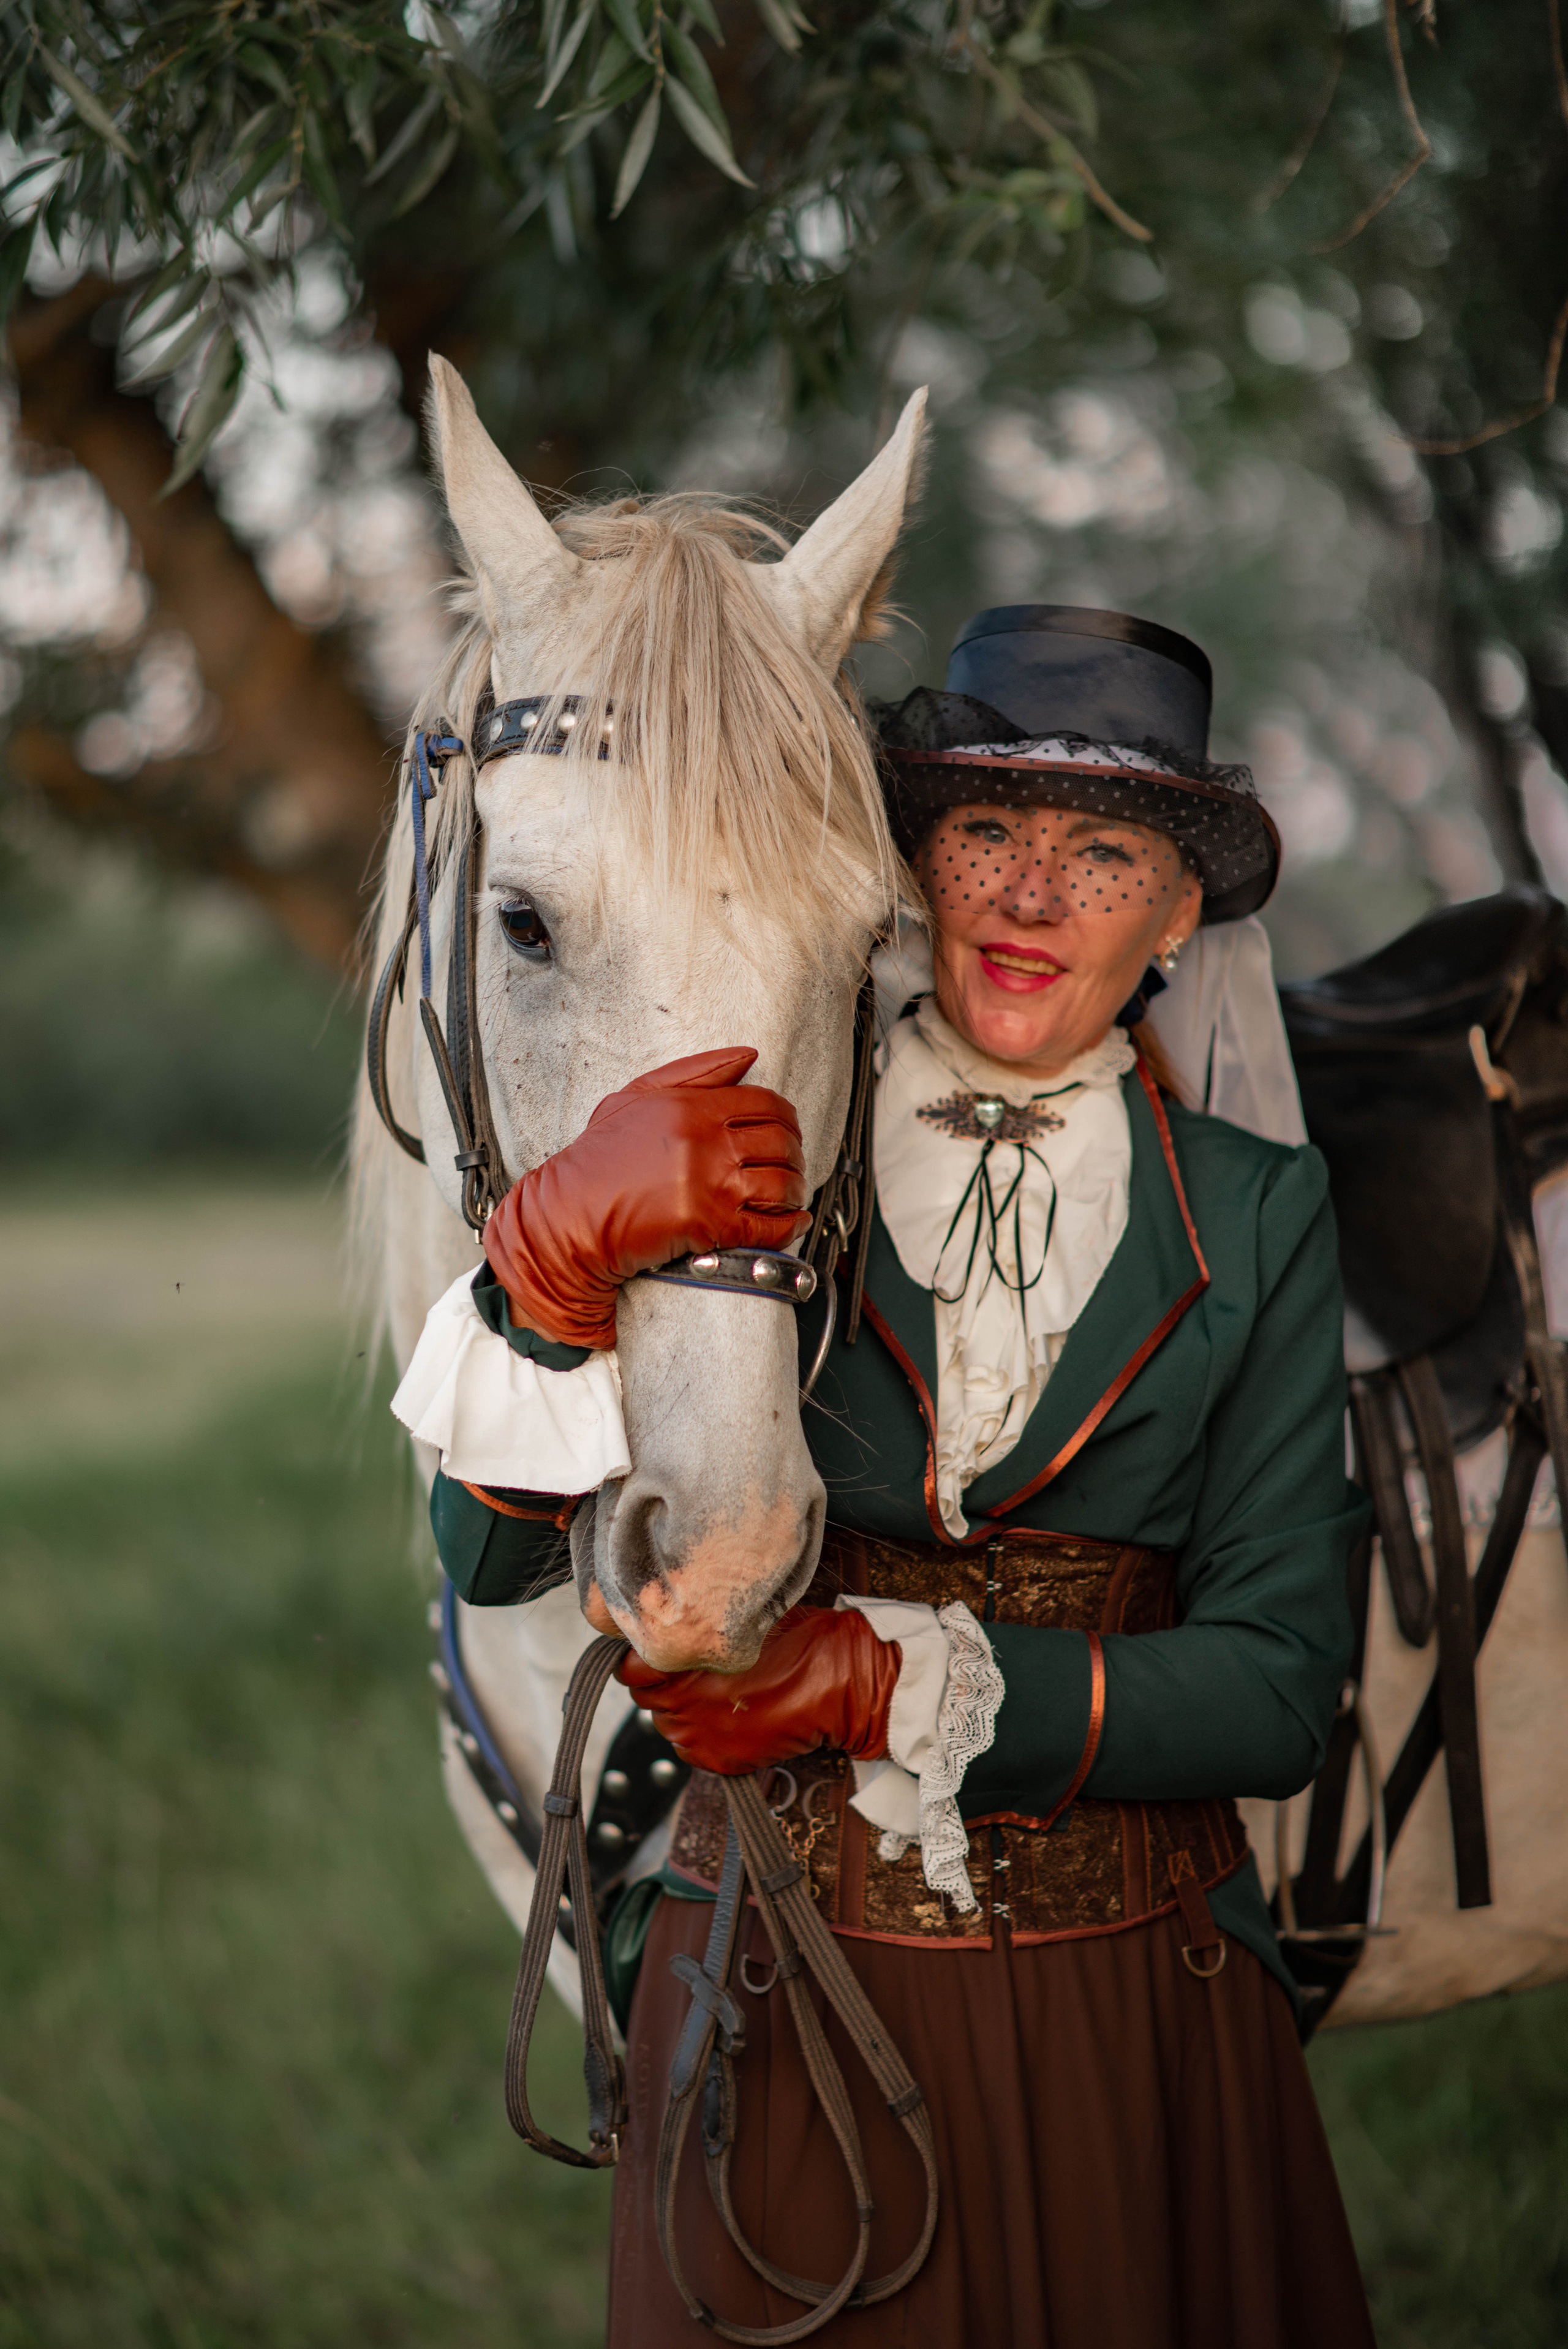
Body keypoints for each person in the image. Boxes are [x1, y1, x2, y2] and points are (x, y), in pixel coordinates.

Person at [399, 603, 1376, 2347]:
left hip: (1136, 2012)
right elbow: (481, 1560)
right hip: (781, 1993)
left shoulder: (1258, 1210)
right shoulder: (772, 1133)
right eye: (984, 832)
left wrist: (875, 1681)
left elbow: (1286, 1689)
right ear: (914, 862)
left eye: (1105, 852)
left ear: (1177, 912)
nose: (1026, 895)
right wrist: (544, 1264)